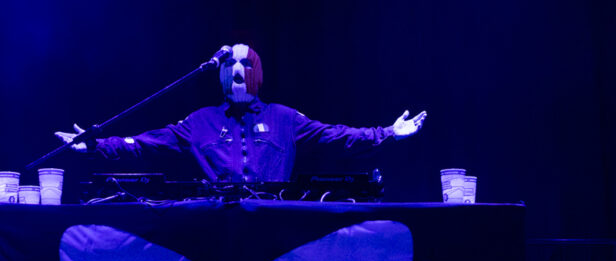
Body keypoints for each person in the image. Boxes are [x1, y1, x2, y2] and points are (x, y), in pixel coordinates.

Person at [55, 44, 426, 183]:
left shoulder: (285, 119)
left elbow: (337, 135)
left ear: (257, 73)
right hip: (217, 226)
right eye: (229, 64)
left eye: (245, 64)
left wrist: (387, 132)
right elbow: (145, 143)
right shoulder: (199, 122)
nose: (236, 70)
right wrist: (96, 146)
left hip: (270, 222)